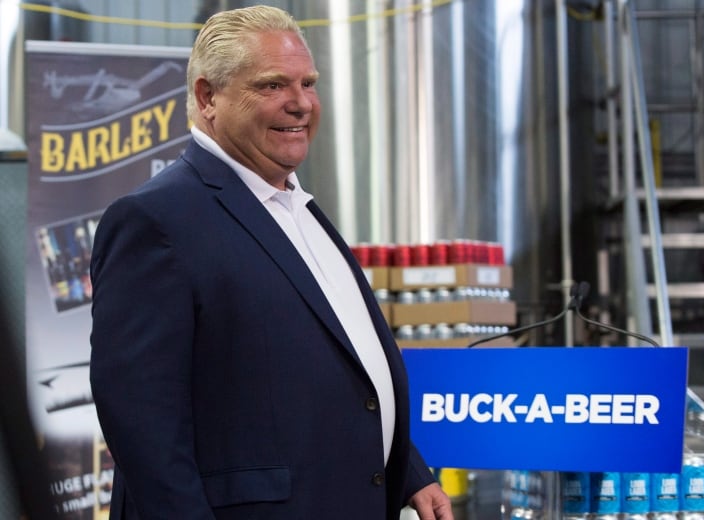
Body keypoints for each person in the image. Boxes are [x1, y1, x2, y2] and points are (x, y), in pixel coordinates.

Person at [89, 5, 453, 520]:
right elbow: (142, 427)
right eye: (272, 85)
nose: (301, 103)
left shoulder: (298, 208)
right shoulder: (156, 220)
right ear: (207, 97)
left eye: (309, 83)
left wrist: (407, 472)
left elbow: (336, 371)